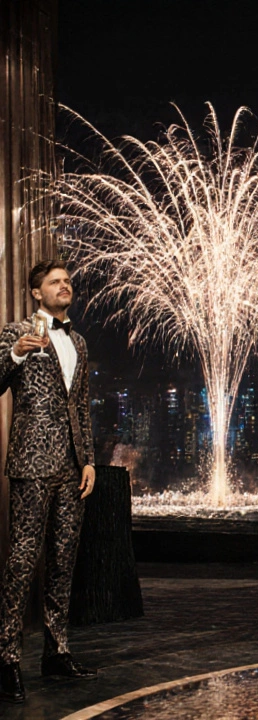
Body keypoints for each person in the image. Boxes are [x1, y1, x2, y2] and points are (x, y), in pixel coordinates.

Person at [0, 259, 98, 704]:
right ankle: (6, 658)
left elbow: (81, 408)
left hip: (71, 467)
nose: (66, 287)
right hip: (31, 462)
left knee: (63, 561)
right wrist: (17, 352)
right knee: (22, 561)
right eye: (56, 282)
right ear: (37, 292)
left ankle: (57, 651)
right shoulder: (15, 333)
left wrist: (89, 461)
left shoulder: (77, 339)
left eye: (68, 281)